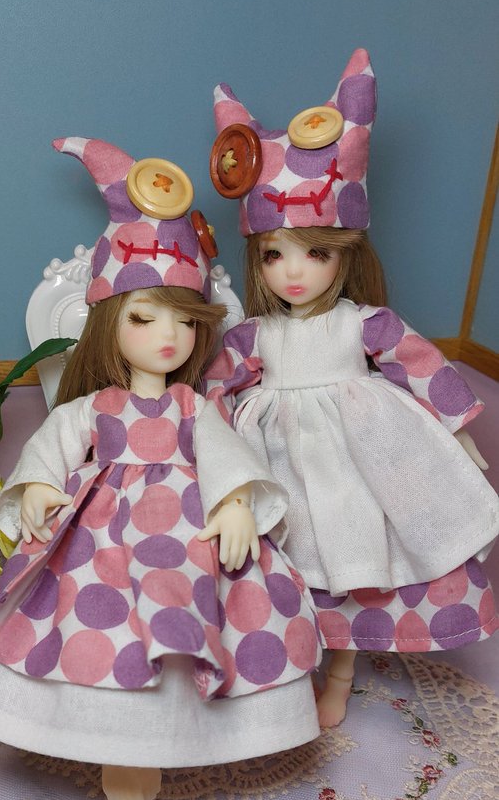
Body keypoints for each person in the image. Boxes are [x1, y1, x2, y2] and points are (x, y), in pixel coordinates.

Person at [0, 136, 321, 800]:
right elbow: (52, 444)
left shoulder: (194, 405)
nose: (168, 337)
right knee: (92, 622)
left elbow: (224, 453)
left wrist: (234, 504)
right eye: (144, 318)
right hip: (101, 535)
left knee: (189, 617)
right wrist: (40, 485)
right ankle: (106, 740)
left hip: (188, 538)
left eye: (184, 322)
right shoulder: (95, 407)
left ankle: (171, 741)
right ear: (110, 323)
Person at [205, 50, 499, 727]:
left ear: (345, 253)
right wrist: (211, 461)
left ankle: (339, 674)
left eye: (316, 252)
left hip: (357, 456)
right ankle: (286, 668)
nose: (293, 273)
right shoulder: (252, 337)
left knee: (359, 553)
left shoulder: (363, 323)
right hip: (277, 461)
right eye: (274, 255)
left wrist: (457, 437)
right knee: (289, 560)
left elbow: (421, 366)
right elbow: (212, 393)